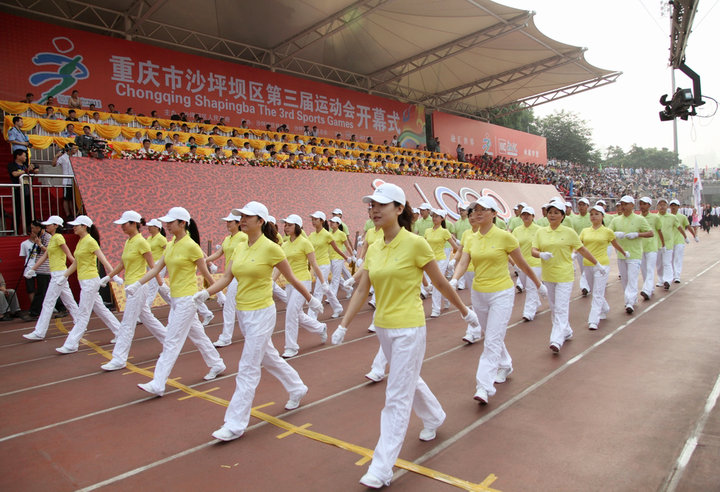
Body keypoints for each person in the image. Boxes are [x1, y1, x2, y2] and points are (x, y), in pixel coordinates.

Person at [329, 183, 479, 489]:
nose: (374, 210)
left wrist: (465, 311)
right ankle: (435, 416)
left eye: (381, 205)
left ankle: (382, 466)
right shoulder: (374, 247)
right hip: (383, 326)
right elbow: (362, 288)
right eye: (371, 206)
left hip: (410, 326)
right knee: (409, 377)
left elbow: (439, 283)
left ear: (399, 209)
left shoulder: (416, 244)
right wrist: (343, 324)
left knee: (396, 395)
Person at [193, 201, 321, 441]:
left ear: (260, 221)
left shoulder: (272, 249)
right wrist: (205, 293)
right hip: (244, 312)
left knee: (248, 367)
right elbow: (228, 277)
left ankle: (234, 423)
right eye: (241, 216)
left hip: (262, 312)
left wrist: (311, 299)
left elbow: (291, 277)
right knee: (269, 357)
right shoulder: (240, 247)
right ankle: (296, 387)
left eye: (248, 217)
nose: (242, 220)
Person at [449, 196, 545, 404]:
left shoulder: (505, 237)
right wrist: (455, 280)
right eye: (475, 210)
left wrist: (537, 284)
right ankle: (505, 364)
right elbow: (464, 261)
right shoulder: (471, 238)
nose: (478, 213)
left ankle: (484, 385)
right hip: (479, 293)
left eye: (484, 209)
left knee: (491, 339)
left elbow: (522, 264)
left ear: (494, 213)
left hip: (501, 293)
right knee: (491, 334)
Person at [129, 207, 225, 396]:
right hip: (175, 298)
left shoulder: (191, 246)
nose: (167, 226)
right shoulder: (171, 244)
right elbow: (156, 269)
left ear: (182, 223)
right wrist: (137, 284)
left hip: (188, 300)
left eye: (171, 223)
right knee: (198, 335)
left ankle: (158, 382)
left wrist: (218, 294)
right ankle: (217, 363)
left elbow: (205, 272)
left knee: (171, 341)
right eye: (167, 222)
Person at [98, 211, 168, 370]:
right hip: (130, 286)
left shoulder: (142, 242)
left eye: (125, 224)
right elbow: (122, 264)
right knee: (147, 317)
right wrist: (108, 277)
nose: (122, 227)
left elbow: (153, 265)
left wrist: (160, 283)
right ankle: (169, 342)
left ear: (134, 224)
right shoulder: (129, 242)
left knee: (127, 323)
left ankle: (119, 358)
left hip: (138, 286)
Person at [532, 199, 601, 353]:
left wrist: (597, 263)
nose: (552, 215)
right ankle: (567, 330)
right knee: (555, 307)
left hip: (564, 275)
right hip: (549, 275)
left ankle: (556, 338)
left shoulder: (569, 233)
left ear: (562, 215)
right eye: (550, 212)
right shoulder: (541, 232)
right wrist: (541, 254)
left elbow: (582, 250)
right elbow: (533, 251)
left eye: (556, 213)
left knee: (562, 307)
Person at [55, 216, 121, 354]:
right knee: (101, 309)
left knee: (83, 313)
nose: (74, 227)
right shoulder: (81, 242)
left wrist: (113, 276)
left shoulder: (90, 242)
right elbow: (76, 263)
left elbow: (103, 260)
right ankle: (120, 332)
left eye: (76, 225)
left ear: (84, 226)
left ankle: (71, 343)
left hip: (91, 281)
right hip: (84, 280)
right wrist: (64, 276)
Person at [276, 214, 329, 358]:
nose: (286, 227)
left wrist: (323, 282)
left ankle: (291, 347)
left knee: (291, 312)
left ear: (297, 227)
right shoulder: (285, 245)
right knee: (297, 314)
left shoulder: (305, 243)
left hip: (303, 281)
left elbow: (314, 265)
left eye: (289, 225)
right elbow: (280, 267)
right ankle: (320, 327)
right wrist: (271, 282)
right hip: (289, 283)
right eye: (285, 225)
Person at [22, 216, 80, 341]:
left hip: (59, 274)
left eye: (49, 224)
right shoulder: (53, 239)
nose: (46, 226)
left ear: (56, 226)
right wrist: (32, 270)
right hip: (56, 273)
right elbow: (45, 256)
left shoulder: (58, 237)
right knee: (69, 300)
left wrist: (77, 265)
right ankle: (80, 323)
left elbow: (68, 253)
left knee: (48, 302)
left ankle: (40, 331)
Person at [579, 205, 627, 330]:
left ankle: (593, 320)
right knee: (593, 289)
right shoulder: (585, 231)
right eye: (592, 214)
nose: (593, 216)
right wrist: (573, 255)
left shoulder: (607, 231)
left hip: (602, 266)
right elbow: (579, 246)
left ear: (602, 216)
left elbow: (615, 245)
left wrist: (624, 252)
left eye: (596, 214)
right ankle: (605, 308)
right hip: (588, 264)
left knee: (597, 293)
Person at [206, 212, 248, 347]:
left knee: (229, 306)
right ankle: (249, 332)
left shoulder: (243, 237)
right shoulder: (227, 239)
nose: (227, 224)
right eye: (227, 221)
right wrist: (205, 260)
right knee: (240, 306)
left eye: (230, 221)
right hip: (229, 275)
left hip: (239, 275)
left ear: (238, 223)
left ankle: (226, 337)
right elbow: (219, 253)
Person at [609, 196, 653, 314]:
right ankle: (631, 299)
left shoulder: (639, 219)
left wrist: (637, 234)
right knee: (625, 279)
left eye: (626, 204)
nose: (623, 206)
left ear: (632, 205)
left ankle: (628, 302)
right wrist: (615, 234)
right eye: (622, 204)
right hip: (621, 254)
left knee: (632, 279)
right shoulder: (616, 220)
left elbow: (650, 233)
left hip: (634, 254)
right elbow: (607, 234)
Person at [307, 211, 346, 320]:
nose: (313, 221)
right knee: (327, 289)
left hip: (324, 265)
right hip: (316, 265)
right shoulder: (311, 235)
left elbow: (336, 248)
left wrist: (347, 257)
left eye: (316, 219)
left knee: (318, 290)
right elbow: (308, 249)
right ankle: (338, 307)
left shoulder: (327, 235)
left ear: (322, 221)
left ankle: (312, 316)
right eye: (312, 219)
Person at [424, 209, 459, 317]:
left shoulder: (444, 232)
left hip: (441, 259)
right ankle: (447, 297)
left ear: (442, 218)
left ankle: (436, 309)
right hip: (430, 260)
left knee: (435, 284)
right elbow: (424, 245)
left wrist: (453, 260)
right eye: (433, 216)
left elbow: (456, 247)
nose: (434, 218)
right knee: (439, 283)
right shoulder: (428, 231)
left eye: (437, 216)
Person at [512, 206, 543, 322]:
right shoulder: (517, 230)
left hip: (535, 263)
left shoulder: (539, 230)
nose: (525, 217)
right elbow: (513, 246)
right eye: (523, 215)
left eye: (528, 215)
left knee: (531, 287)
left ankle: (528, 312)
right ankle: (536, 302)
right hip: (522, 263)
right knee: (526, 285)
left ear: (533, 216)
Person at [637, 197, 661, 300]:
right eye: (641, 204)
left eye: (645, 204)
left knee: (650, 269)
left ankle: (646, 290)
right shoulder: (637, 218)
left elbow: (659, 232)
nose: (642, 206)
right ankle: (649, 288)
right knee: (644, 270)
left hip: (652, 247)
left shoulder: (655, 218)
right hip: (641, 247)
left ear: (649, 205)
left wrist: (662, 245)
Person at [8, 149, 38, 230]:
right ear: (18, 156)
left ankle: (30, 229)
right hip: (18, 190)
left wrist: (34, 170)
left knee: (29, 210)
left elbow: (31, 173)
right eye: (24, 155)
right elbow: (14, 174)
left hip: (27, 189)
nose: (25, 157)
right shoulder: (12, 165)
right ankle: (14, 230)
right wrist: (25, 171)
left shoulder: (25, 165)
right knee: (17, 211)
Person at [145, 219, 171, 307]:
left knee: (152, 288)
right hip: (150, 265)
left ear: (157, 228)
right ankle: (177, 304)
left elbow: (168, 251)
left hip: (159, 265)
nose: (148, 228)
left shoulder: (161, 239)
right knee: (160, 287)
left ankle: (145, 312)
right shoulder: (149, 238)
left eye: (151, 226)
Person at [669, 199, 694, 283]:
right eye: (672, 205)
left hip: (679, 240)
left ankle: (677, 276)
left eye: (675, 205)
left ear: (678, 207)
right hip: (670, 241)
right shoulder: (667, 216)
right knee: (670, 259)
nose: (673, 207)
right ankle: (672, 274)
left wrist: (694, 235)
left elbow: (688, 226)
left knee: (678, 258)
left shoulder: (682, 217)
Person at [51, 143, 77, 220]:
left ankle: (73, 213)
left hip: (74, 181)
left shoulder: (75, 158)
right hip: (66, 181)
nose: (75, 150)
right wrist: (56, 156)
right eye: (74, 148)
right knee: (66, 198)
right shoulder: (63, 158)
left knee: (72, 198)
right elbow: (54, 164)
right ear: (69, 149)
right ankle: (68, 214)